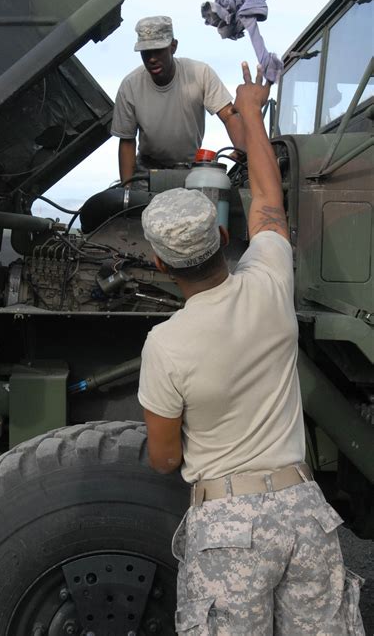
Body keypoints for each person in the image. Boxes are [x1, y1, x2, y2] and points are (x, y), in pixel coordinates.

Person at [138, 63, 365, 635]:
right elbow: (267, 196)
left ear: (161, 265)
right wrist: (250, 110)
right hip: (305, 515)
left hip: (226, 528)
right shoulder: (270, 283)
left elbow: (164, 459)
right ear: (220, 236)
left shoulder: (164, 345)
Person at [111, 15, 245, 187]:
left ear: (173, 46)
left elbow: (228, 114)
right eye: (146, 52)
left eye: (158, 50)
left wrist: (242, 149)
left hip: (191, 172)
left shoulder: (200, 73)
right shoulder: (130, 86)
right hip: (146, 174)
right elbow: (127, 140)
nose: (152, 59)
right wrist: (127, 190)